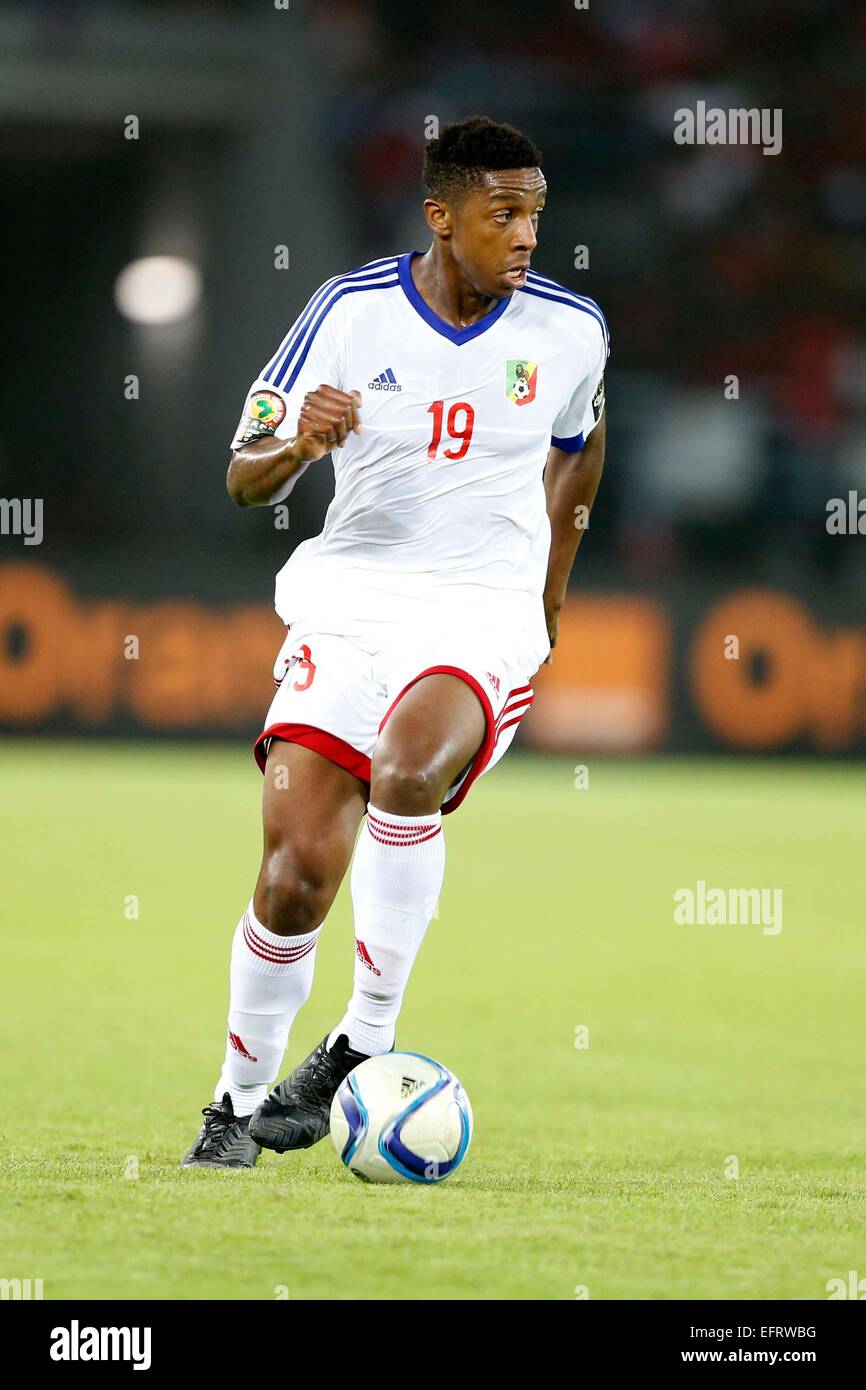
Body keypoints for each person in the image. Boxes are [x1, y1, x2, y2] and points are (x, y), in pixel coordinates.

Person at [183, 115, 608, 1168]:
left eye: (535, 215)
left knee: (407, 770)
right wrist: (301, 440)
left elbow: (581, 443)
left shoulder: (568, 331)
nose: (524, 236)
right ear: (440, 215)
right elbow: (243, 477)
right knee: (292, 879)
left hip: (480, 609)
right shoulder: (348, 312)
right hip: (350, 602)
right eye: (501, 214)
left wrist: (547, 594)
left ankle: (355, 1042)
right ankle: (233, 1106)